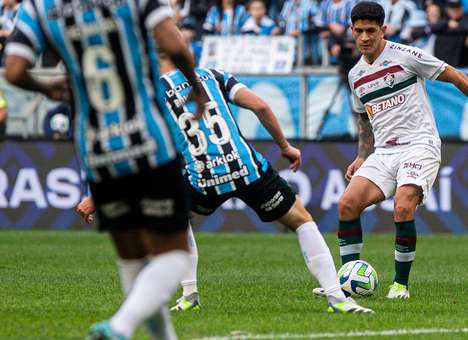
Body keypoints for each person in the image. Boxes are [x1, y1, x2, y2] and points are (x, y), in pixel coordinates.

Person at [3, 0, 206, 340]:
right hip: (148, 137)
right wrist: (198, 88)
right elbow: (174, 42)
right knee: (171, 251)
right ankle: (122, 324)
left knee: (132, 258)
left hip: (96, 146)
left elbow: (15, 69)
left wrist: (51, 89)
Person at [77, 55, 373, 315]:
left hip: (203, 178)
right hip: (247, 168)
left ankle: (189, 294)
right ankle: (337, 297)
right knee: (301, 220)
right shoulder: (212, 76)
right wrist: (285, 146)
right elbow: (260, 106)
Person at [314, 1, 468, 300]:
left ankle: (400, 285)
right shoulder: (355, 75)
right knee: (347, 204)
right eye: (359, 31)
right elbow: (364, 118)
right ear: (352, 31)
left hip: (420, 144)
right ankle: (348, 282)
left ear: (384, 30)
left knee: (403, 206)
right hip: (384, 152)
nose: (364, 37)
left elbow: (455, 75)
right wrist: (362, 155)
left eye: (371, 31)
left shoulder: (406, 57)